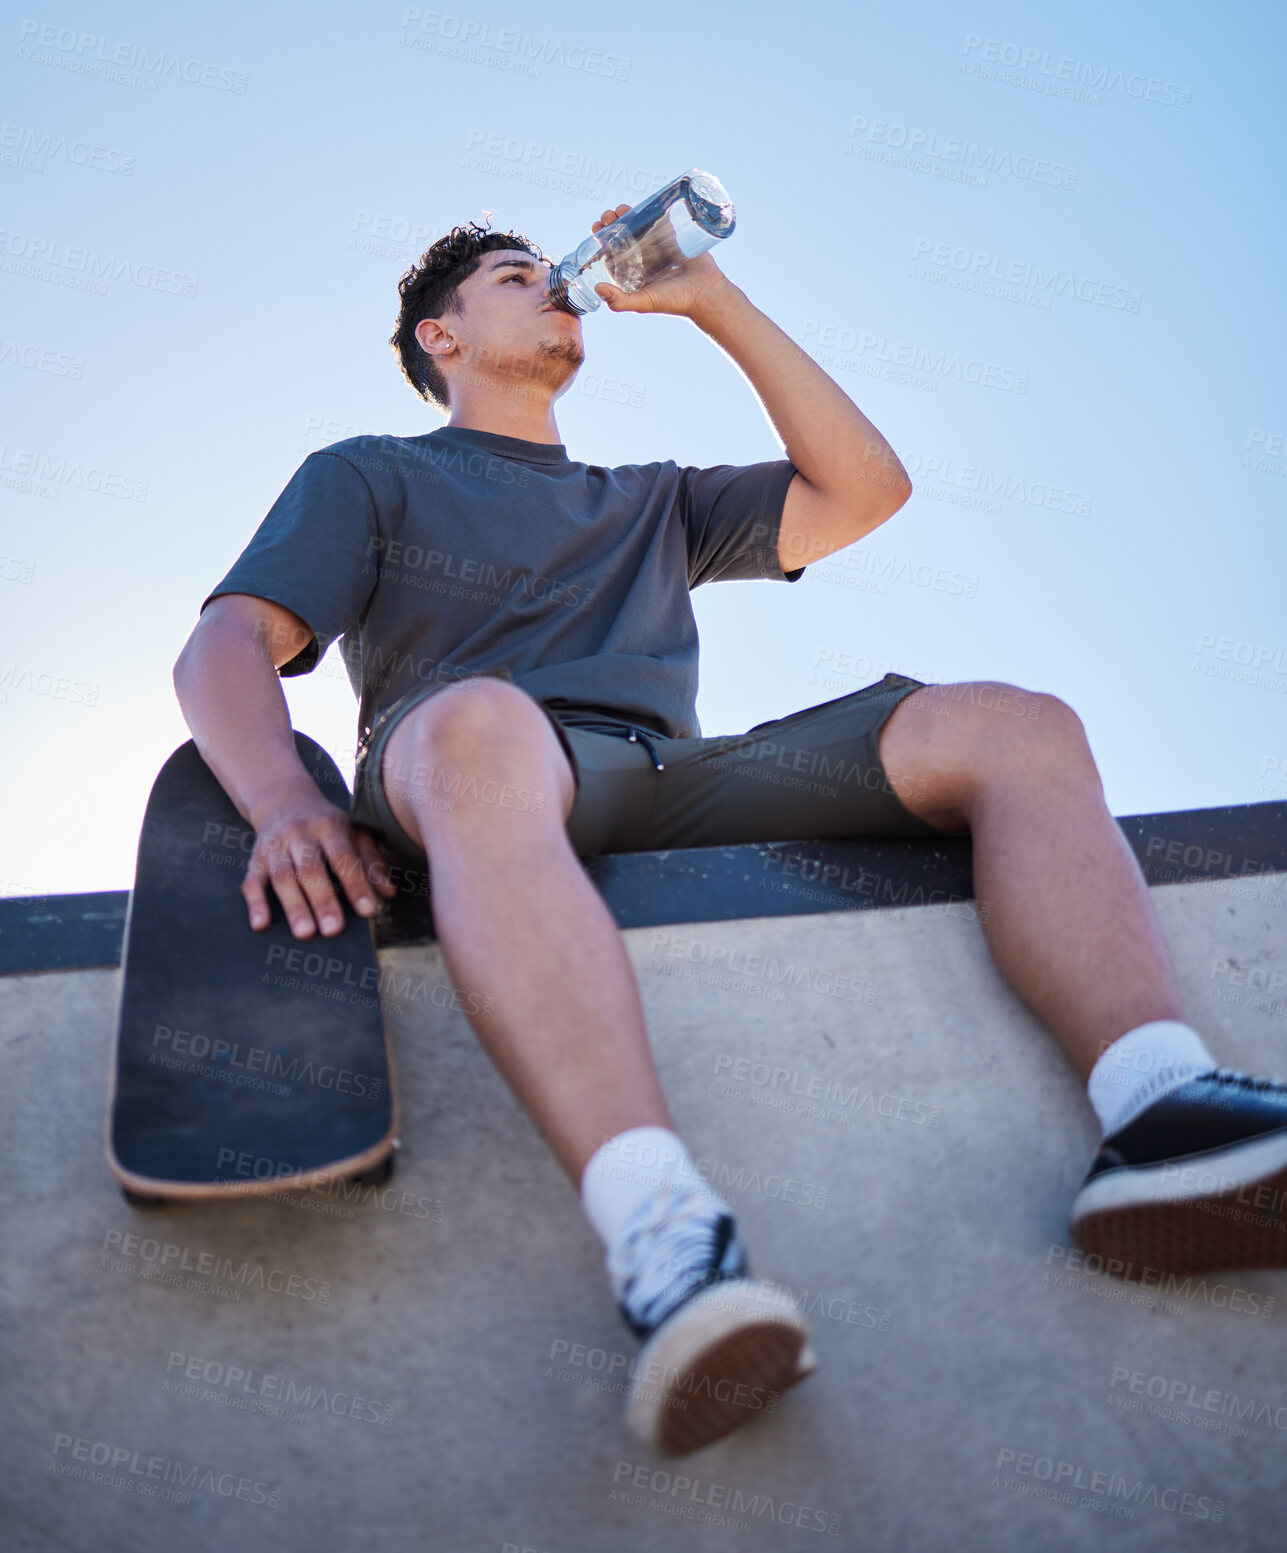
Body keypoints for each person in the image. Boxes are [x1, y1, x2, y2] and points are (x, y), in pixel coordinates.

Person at [173, 205, 1287, 1458]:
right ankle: (664, 1233)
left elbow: (865, 490)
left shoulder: (653, 502)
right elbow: (225, 643)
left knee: (1017, 725)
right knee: (480, 720)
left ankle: (1160, 1104)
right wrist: (282, 800)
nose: (552, 285)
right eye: (511, 275)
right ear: (442, 335)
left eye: (550, 271)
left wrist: (713, 302)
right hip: (481, 764)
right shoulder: (371, 471)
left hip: (673, 774)